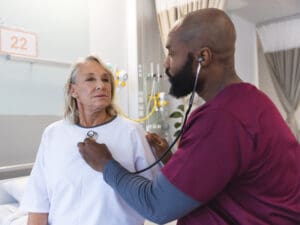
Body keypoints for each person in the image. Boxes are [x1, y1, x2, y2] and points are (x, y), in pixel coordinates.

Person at [78, 8, 300, 225]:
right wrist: (173, 161)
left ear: (203, 57)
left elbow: (157, 206)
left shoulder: (221, 118)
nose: (166, 64)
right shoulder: (252, 101)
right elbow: (216, 178)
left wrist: (106, 164)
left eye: (172, 53)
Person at [20, 56, 160, 225]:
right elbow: (38, 203)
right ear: (73, 91)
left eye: (106, 80)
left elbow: (152, 196)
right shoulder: (53, 134)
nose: (101, 85)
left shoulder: (131, 132)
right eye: (90, 79)